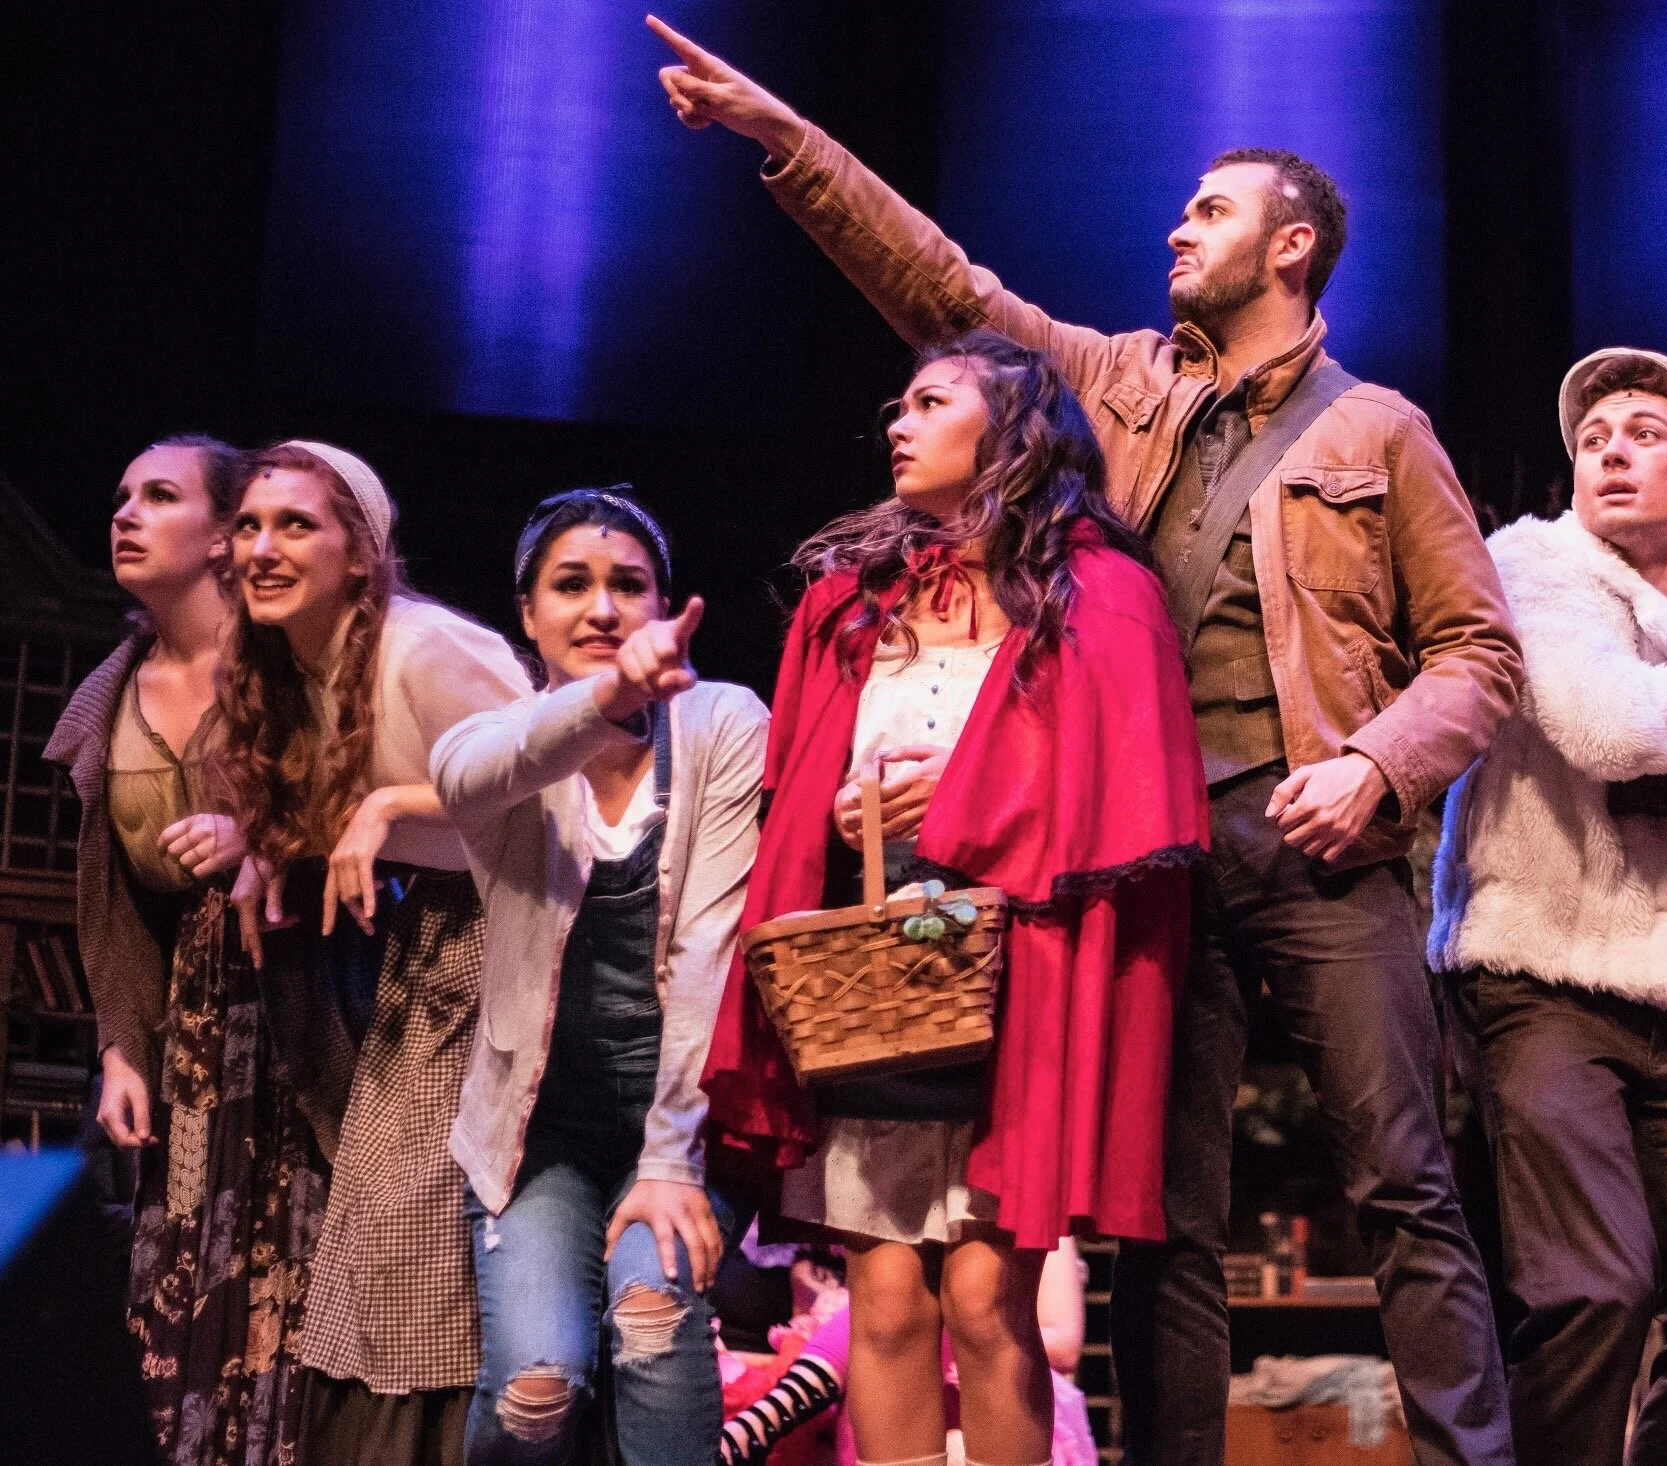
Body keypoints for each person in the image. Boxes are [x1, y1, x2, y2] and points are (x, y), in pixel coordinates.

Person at [648, 21, 1522, 1463]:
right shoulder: (1117, 383)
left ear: (1292, 245)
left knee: (1405, 1182)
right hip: (1142, 849)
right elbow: (944, 288)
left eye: (1211, 210)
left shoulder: (1382, 431)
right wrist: (783, 141)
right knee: (1163, 1217)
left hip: (1318, 835)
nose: (1178, 228)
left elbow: (1482, 653)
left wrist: (1376, 762)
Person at [701, 330, 1208, 1466]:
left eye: (931, 402)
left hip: (1023, 970)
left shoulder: (1100, 596)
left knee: (985, 1295)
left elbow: (1128, 788)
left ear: (1012, 431)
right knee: (884, 1301)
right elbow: (799, 782)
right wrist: (845, 812)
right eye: (899, 406)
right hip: (876, 977)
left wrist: (970, 796)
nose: (900, 423)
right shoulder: (852, 601)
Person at [1428, 350, 1667, 1462]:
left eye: (1643, 434)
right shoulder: (1531, 566)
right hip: (1535, 974)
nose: (1611, 453)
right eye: (1593, 440)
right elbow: (1604, 723)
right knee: (1594, 1290)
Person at [434, 487, 767, 1464]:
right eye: (571, 585)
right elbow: (461, 776)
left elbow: (709, 946)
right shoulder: (499, 741)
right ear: (529, 613)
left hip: (689, 1120)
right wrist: (606, 698)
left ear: (663, 606)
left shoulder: (721, 721)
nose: (602, 608)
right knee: (535, 1388)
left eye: (630, 584)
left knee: (654, 1313)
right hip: (538, 1137)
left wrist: (670, 1161)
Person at [217, 440, 534, 1465]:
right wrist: (272, 849)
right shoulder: (292, 666)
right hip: (432, 939)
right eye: (250, 525)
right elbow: (335, 798)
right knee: (372, 1219)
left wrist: (390, 806)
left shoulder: (422, 649)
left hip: (511, 939)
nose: (263, 547)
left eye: (295, 524)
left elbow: (550, 787)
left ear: (360, 553)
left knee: (422, 1220)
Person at [45, 435, 333, 1465]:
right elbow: (113, 899)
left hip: (300, 1014)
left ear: (222, 536)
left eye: (159, 496)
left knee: (283, 1270)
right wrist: (120, 1047)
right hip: (190, 1026)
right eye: (123, 495)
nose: (125, 513)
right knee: (173, 1276)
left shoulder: (289, 671)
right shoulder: (113, 693)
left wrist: (262, 839)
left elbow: (364, 821)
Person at [717, 1241, 1098, 1466]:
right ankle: (759, 1423)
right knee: (876, 1321)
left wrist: (959, 1335)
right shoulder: (835, 1245)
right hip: (880, 1380)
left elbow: (1065, 1344)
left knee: (889, 1316)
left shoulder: (1027, 1215)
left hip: (989, 1379)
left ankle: (758, 1424)